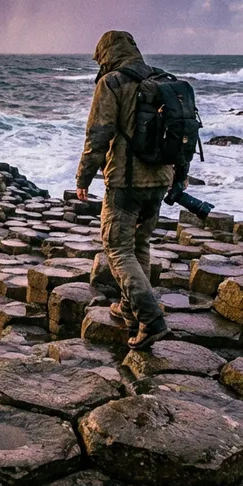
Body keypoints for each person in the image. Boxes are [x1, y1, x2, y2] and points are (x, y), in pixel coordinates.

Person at [75, 30, 186, 350]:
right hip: (160, 179)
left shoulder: (112, 83)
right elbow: (182, 135)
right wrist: (180, 176)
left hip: (126, 182)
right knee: (140, 243)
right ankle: (129, 308)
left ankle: (151, 320)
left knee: (117, 247)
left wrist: (83, 179)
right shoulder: (163, 80)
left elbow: (98, 135)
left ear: (106, 55)